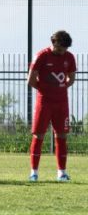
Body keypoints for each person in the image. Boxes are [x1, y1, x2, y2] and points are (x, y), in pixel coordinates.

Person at [27, 31, 76, 182]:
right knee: (38, 136)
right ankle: (34, 173)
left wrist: (60, 89)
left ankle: (61, 173)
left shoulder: (69, 57)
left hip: (61, 103)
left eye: (65, 49)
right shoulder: (42, 55)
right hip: (44, 103)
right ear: (54, 43)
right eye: (60, 48)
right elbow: (31, 80)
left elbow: (71, 78)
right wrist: (45, 90)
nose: (62, 52)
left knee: (61, 136)